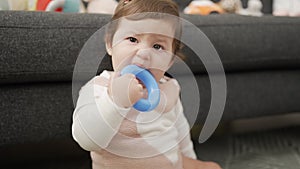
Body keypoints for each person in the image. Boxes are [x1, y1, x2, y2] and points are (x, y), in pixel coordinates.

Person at [72, 0, 221, 168]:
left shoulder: (169, 88)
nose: (143, 53)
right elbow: (86, 140)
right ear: (110, 44)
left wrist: (191, 160)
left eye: (157, 46)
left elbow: (180, 132)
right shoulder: (99, 88)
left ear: (171, 60)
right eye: (133, 39)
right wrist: (115, 101)